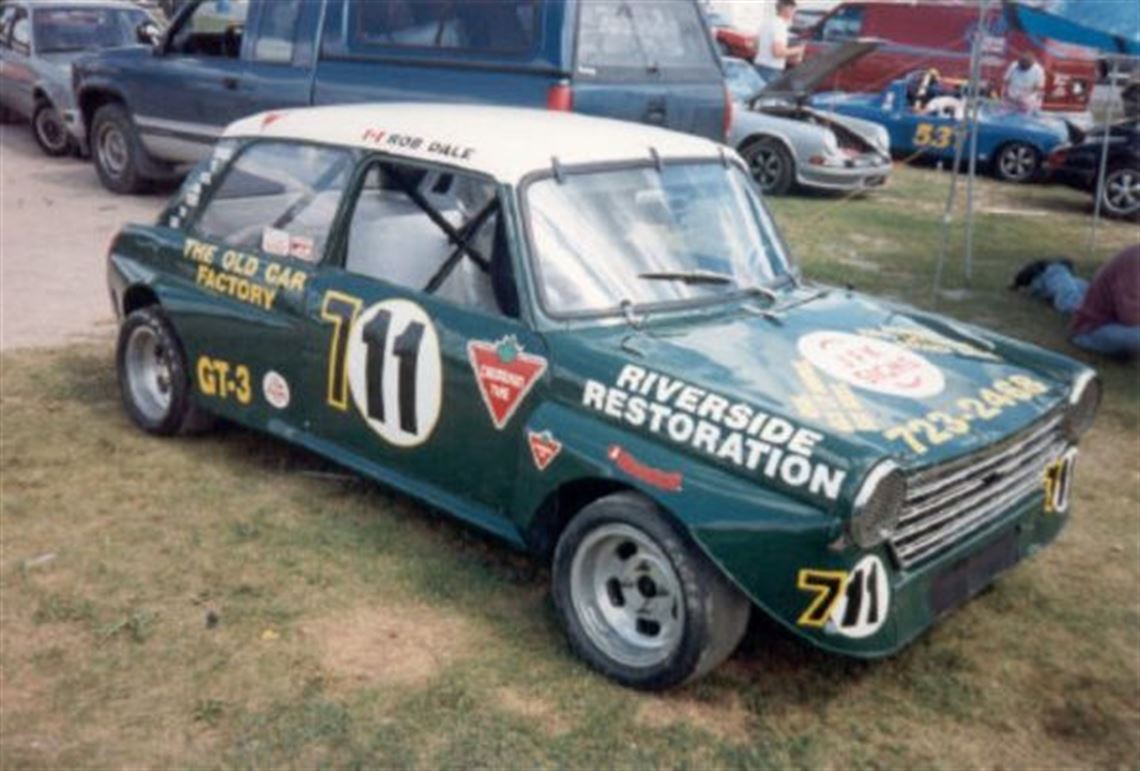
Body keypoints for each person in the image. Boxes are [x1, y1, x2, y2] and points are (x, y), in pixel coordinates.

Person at [1011, 246, 1140, 358]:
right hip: (1094, 327)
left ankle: (1054, 275)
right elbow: (1130, 317)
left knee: (1082, 296)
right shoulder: (1134, 260)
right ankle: (1055, 272)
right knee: (1071, 301)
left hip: (1110, 308)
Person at [754, 0, 804, 81]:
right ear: (787, 9)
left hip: (759, 66)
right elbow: (777, 52)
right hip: (771, 71)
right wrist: (798, 50)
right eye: (793, 10)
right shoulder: (780, 26)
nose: (794, 14)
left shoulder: (766, 23)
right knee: (770, 94)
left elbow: (754, 46)